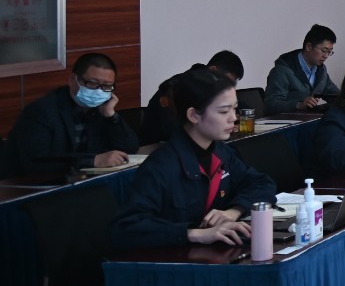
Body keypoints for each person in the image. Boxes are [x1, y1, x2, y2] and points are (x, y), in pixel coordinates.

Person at [111, 66, 276, 249]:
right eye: (223, 111)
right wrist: (193, 234)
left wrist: (234, 211)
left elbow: (262, 184)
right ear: (193, 115)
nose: (233, 118)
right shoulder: (161, 166)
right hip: (175, 258)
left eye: (234, 109)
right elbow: (126, 229)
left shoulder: (221, 152)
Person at [1, 52, 138, 179]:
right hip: (30, 186)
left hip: (82, 182)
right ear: (73, 80)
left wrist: (111, 116)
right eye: (92, 83)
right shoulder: (41, 111)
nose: (99, 91)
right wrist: (92, 161)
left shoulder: (101, 109)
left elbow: (130, 148)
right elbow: (35, 162)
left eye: (107, 86)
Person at [142, 50, 244, 146]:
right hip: (158, 146)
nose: (228, 86)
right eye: (226, 80)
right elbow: (172, 131)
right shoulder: (178, 87)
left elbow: (241, 107)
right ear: (212, 70)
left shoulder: (211, 88)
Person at [264, 24, 340, 114]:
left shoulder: (321, 70)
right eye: (324, 50)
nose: (326, 56)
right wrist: (299, 105)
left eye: (329, 52)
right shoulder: (282, 71)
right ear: (309, 47)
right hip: (288, 121)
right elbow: (270, 105)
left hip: (311, 119)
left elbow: (333, 92)